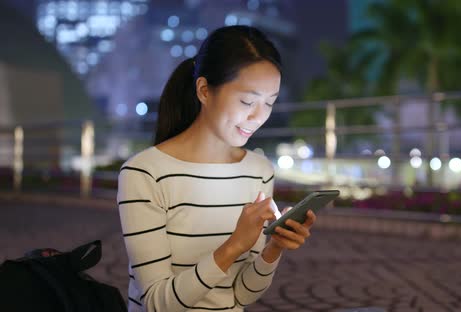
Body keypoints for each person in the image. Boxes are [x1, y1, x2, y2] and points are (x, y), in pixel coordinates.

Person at [117, 25, 316, 312]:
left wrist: (273, 248)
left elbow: (242, 295)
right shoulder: (145, 173)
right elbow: (157, 303)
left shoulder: (258, 170)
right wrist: (234, 246)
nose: (258, 117)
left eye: (269, 103)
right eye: (247, 101)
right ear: (204, 90)